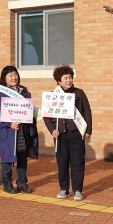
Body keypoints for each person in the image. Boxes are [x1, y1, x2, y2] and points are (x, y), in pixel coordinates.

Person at [44, 64, 93, 201]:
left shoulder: (79, 93)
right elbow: (47, 116)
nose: (68, 81)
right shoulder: (54, 95)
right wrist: (52, 130)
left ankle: (78, 190)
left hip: (77, 134)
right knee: (62, 162)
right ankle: (64, 189)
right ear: (58, 81)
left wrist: (88, 130)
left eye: (70, 78)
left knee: (77, 162)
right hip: (60, 135)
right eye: (65, 78)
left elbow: (87, 111)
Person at [0, 65, 39, 194]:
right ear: (4, 78)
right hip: (9, 131)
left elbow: (28, 109)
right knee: (8, 158)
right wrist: (9, 123)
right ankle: (7, 183)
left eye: (15, 74)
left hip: (23, 130)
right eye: (10, 75)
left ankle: (22, 183)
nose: (14, 77)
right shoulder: (0, 93)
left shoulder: (24, 91)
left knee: (22, 158)